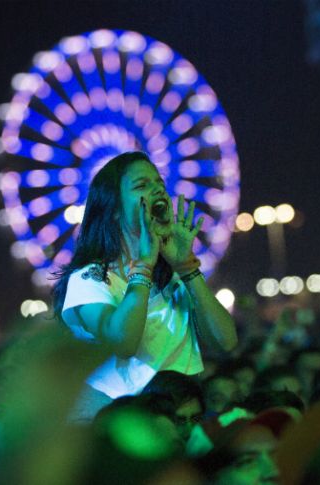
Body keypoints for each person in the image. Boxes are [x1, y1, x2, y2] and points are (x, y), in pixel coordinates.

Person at [52, 151, 237, 421]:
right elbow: (123, 342)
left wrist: (187, 268)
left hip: (181, 416)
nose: (157, 191)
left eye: (159, 184)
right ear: (114, 210)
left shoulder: (175, 275)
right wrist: (143, 265)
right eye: (141, 186)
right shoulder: (89, 279)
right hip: (118, 422)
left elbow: (226, 341)